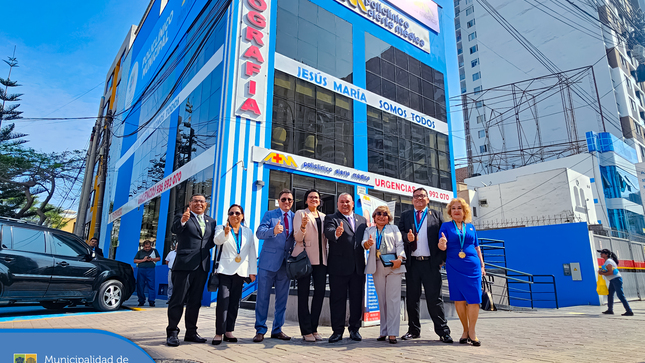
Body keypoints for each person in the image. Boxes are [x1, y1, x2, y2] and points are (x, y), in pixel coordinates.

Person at [398, 187, 452, 343]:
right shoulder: (406, 215)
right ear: (412, 199)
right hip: (412, 264)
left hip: (430, 264)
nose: (419, 199)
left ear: (428, 199)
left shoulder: (436, 215)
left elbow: (443, 238)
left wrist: (441, 260)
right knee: (412, 298)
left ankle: (443, 331)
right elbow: (399, 234)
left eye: (422, 196)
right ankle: (413, 330)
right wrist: (407, 237)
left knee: (435, 299)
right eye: (416, 197)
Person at [166, 194, 216, 347]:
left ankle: (191, 333)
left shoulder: (211, 221)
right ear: (190, 203)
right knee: (178, 300)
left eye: (202, 201)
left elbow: (210, 242)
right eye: (195, 201)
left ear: (205, 204)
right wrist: (183, 221)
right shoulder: (182, 216)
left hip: (201, 266)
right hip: (183, 266)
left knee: (195, 302)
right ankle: (172, 332)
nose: (199, 204)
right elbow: (175, 229)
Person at [438, 198, 485, 346]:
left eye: (459, 208)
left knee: (474, 299)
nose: (456, 210)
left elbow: (477, 247)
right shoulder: (445, 226)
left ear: (464, 211)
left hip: (473, 267)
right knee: (459, 299)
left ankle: (472, 332)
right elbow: (441, 246)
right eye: (453, 208)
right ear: (450, 212)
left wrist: (482, 266)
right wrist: (442, 243)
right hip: (454, 266)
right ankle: (465, 330)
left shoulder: (470, 227)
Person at [323, 193, 367, 343]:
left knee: (357, 300)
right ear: (337, 204)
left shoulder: (362, 220)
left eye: (347, 201)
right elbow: (328, 232)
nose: (345, 204)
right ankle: (337, 331)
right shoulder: (332, 218)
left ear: (353, 203)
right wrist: (336, 233)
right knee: (337, 300)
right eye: (341, 202)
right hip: (338, 268)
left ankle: (354, 329)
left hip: (358, 268)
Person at [212, 204, 258, 345]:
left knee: (234, 302)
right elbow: (216, 241)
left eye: (237, 213)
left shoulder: (248, 232)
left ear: (242, 215)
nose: (234, 215)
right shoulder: (221, 228)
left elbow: (252, 251)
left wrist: (252, 271)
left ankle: (229, 331)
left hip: (241, 271)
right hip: (225, 270)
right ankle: (219, 332)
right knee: (223, 300)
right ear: (228, 215)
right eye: (231, 213)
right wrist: (226, 233)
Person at [253, 189, 295, 342]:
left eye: (289, 200)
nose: (286, 202)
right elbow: (259, 233)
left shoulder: (295, 217)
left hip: (285, 265)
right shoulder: (270, 215)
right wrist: (273, 231)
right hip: (267, 263)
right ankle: (260, 329)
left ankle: (277, 329)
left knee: (282, 300)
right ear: (278, 201)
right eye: (284, 199)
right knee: (262, 298)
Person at [362, 205, 405, 344]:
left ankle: (393, 333)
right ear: (374, 216)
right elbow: (364, 243)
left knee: (393, 301)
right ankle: (384, 331)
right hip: (377, 266)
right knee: (382, 301)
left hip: (393, 265)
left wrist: (400, 259)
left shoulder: (394, 229)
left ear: (389, 217)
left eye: (385, 214)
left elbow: (400, 245)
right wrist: (367, 243)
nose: (382, 216)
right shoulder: (369, 230)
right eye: (379, 213)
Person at [292, 189, 328, 342]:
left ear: (319, 201)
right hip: (305, 258)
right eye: (311, 197)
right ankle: (306, 330)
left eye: (316, 197)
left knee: (319, 293)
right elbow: (297, 238)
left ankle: (314, 328)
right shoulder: (300, 214)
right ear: (306, 200)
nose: (314, 199)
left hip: (321, 260)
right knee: (303, 295)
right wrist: (303, 227)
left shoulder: (325, 217)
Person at [598, 248, 633, 316]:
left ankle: (629, 311)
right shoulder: (607, 261)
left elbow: (610, 273)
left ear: (606, 254)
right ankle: (610, 310)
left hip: (616, 279)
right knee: (610, 294)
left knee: (620, 295)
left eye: (602, 253)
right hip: (612, 280)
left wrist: (602, 273)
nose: (600, 254)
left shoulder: (609, 261)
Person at [133, 240, 161, 307]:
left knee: (151, 285)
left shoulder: (154, 251)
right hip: (141, 270)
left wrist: (152, 259)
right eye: (146, 247)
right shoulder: (140, 252)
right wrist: (143, 260)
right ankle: (141, 300)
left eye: (148, 247)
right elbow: (135, 260)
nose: (147, 248)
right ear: (143, 247)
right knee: (140, 285)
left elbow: (159, 258)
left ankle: (151, 301)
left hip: (150, 270)